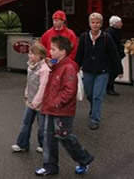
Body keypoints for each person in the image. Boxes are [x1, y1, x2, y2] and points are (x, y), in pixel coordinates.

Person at [35, 36, 94, 176]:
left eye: (53, 49)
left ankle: (84, 159)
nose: (50, 51)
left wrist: (55, 103)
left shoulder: (68, 67)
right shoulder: (55, 64)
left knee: (65, 136)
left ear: (63, 51)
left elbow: (69, 90)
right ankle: (50, 166)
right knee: (48, 137)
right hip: (50, 108)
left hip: (63, 110)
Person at [75, 13, 123, 130]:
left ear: (101, 24)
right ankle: (93, 108)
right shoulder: (84, 37)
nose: (95, 25)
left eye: (97, 22)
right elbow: (79, 54)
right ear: (89, 23)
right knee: (90, 94)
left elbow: (114, 55)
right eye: (92, 22)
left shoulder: (107, 37)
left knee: (97, 96)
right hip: (87, 70)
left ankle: (94, 119)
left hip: (102, 71)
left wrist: (119, 70)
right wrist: (75, 67)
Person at [11, 42, 50, 154]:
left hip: (40, 103)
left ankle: (43, 145)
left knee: (42, 126)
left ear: (40, 56)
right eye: (29, 53)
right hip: (30, 101)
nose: (30, 55)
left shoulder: (44, 69)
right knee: (26, 122)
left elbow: (43, 87)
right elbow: (29, 82)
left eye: (32, 54)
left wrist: (36, 102)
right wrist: (27, 93)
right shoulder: (30, 66)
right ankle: (22, 144)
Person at [105, 16, 124, 96]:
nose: (121, 24)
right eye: (120, 22)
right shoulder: (110, 32)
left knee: (114, 71)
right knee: (113, 71)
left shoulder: (113, 31)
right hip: (111, 55)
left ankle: (109, 87)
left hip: (114, 54)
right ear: (115, 23)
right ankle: (109, 88)